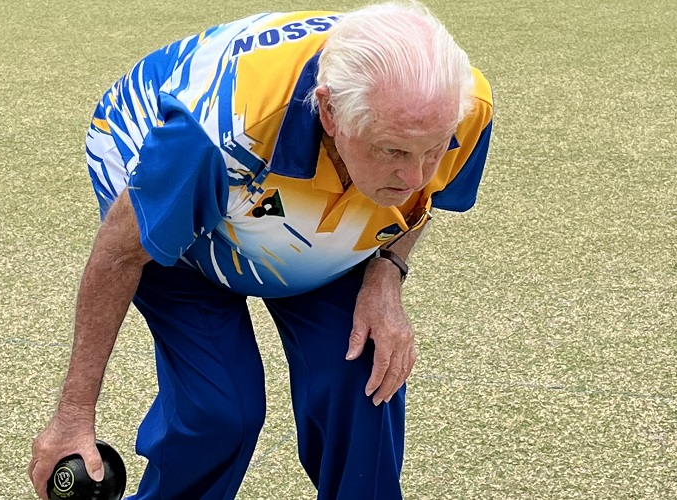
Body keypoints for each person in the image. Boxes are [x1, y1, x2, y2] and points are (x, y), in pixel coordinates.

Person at [29, 2, 494, 498]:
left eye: (433, 150)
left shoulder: (461, 109)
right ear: (330, 112)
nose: (415, 177)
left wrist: (386, 274)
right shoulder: (215, 134)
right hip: (178, 176)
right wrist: (74, 413)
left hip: (280, 184)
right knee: (220, 410)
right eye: (394, 151)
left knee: (362, 375)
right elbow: (119, 255)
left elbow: (428, 196)